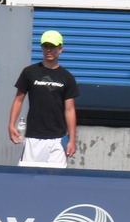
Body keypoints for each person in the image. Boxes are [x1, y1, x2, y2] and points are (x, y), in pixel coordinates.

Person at [9, 30, 79, 168]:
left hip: (57, 139)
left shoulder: (67, 77)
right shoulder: (29, 72)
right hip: (33, 137)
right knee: (29, 180)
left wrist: (72, 139)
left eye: (53, 46)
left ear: (60, 49)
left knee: (56, 181)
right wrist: (11, 124)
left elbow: (70, 110)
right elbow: (18, 100)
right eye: (45, 46)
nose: (49, 50)